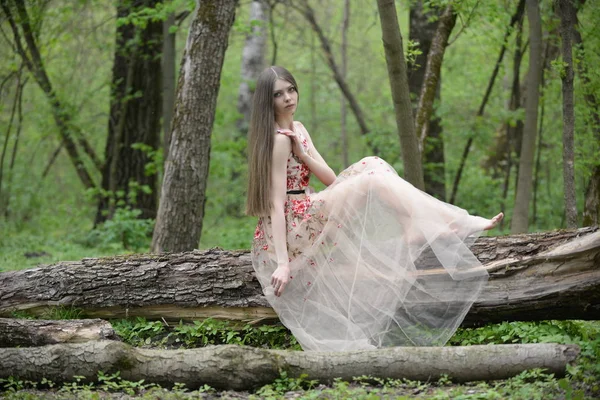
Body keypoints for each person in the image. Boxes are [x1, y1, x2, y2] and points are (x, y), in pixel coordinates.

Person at [246, 66, 503, 352]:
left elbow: (330, 179)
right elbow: (274, 204)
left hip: (308, 206)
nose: (288, 98)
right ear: (267, 101)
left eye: (291, 90)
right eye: (278, 94)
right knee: (371, 179)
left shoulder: (299, 129)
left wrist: (303, 154)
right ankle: (458, 221)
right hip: (294, 223)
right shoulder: (279, 139)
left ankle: (414, 227)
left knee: (374, 164)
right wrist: (282, 263)